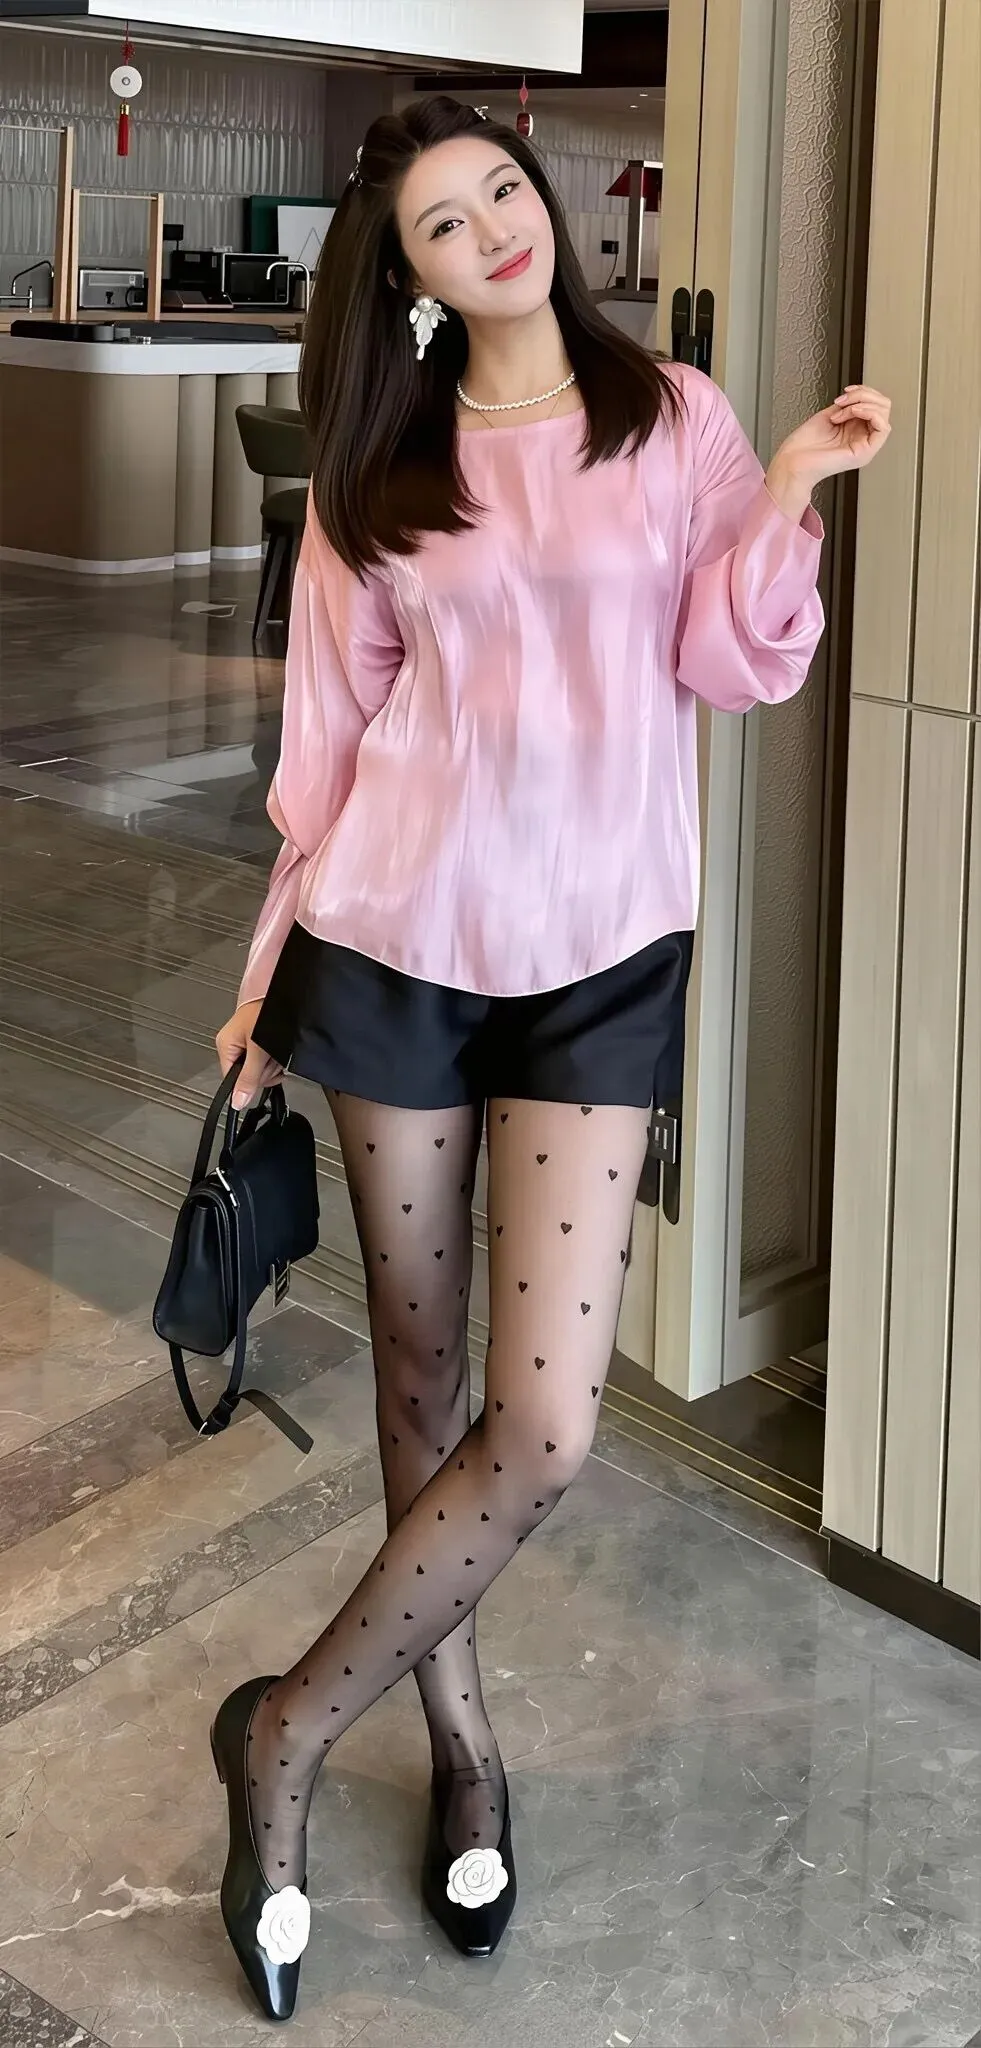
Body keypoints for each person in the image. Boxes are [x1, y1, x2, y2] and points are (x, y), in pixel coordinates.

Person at [210, 93, 891, 2021]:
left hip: (596, 964)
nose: (497, 229)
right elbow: (326, 755)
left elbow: (731, 660)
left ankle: (285, 1732)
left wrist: (789, 494)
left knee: (545, 1423)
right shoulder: (380, 465)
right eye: (447, 221)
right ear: (406, 274)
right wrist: (262, 993)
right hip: (397, 951)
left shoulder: (670, 417)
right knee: (421, 1377)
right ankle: (465, 1742)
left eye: (504, 191)